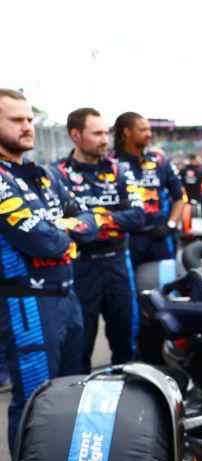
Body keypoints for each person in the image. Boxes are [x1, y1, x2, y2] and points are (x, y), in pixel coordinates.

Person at [0, 90, 98, 453]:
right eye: (16, 120)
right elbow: (43, 240)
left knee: (70, 395)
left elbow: (90, 220)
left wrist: (63, 226)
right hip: (27, 302)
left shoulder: (42, 176)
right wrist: (65, 229)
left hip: (67, 298)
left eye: (29, 119)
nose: (28, 126)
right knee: (35, 402)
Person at [52, 107, 144, 372]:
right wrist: (112, 218)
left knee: (125, 343)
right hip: (80, 267)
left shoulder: (121, 170)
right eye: (97, 134)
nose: (105, 140)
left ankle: (125, 394)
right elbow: (64, 226)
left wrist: (92, 220)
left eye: (106, 133)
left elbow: (138, 217)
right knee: (79, 346)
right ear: (76, 135)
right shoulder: (57, 174)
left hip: (118, 264)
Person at [113, 112, 184, 267]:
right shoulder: (111, 164)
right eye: (143, 130)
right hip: (126, 241)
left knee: (166, 280)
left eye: (149, 129)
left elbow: (179, 198)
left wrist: (170, 225)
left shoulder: (159, 161)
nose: (149, 134)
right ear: (127, 132)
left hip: (160, 238)